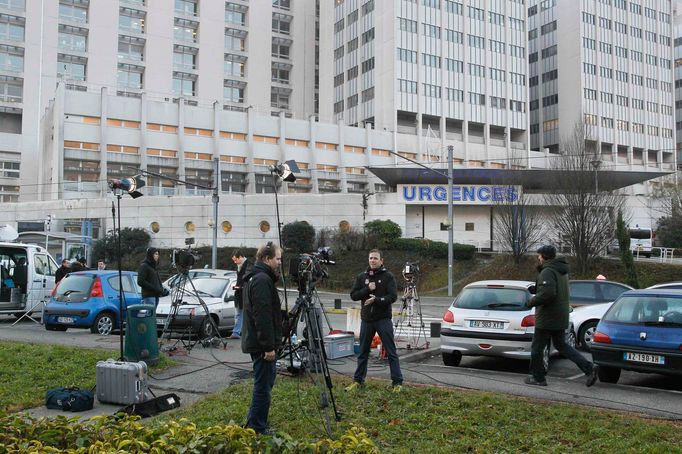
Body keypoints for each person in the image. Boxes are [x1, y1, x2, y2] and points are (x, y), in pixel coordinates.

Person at [525, 245, 599, 387]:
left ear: (544, 256)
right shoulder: (561, 271)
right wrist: (537, 288)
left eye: (539, 255)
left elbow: (548, 294)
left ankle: (538, 377)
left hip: (547, 316)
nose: (538, 258)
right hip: (560, 315)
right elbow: (552, 290)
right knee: (561, 345)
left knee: (537, 347)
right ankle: (589, 368)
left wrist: (530, 302)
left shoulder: (547, 271)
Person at [346, 249, 403, 393]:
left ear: (381, 260)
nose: (372, 260)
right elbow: (353, 295)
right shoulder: (362, 276)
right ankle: (358, 381)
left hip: (383, 319)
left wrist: (377, 300)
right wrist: (367, 289)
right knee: (363, 352)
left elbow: (393, 297)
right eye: (370, 258)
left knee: (391, 352)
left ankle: (397, 382)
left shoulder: (388, 276)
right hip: (367, 320)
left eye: (375, 258)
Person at [241, 242, 283, 434]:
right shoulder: (261, 280)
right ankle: (256, 428)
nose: (280, 262)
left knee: (264, 383)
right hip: (261, 344)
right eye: (277, 259)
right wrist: (268, 346)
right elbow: (262, 315)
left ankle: (254, 422)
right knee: (263, 387)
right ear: (267, 259)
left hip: (257, 341)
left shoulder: (258, 277)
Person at [230, 249, 252, 339]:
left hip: (244, 293)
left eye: (236, 260)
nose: (235, 262)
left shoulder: (248, 265)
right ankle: (238, 332)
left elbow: (248, 278)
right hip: (239, 293)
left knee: (242, 313)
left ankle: (237, 332)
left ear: (241, 257)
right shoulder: (240, 265)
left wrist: (242, 286)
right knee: (240, 313)